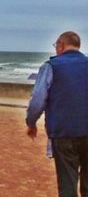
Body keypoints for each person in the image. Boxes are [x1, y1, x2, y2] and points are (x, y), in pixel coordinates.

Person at [26, 31, 88, 197]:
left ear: (61, 45)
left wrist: (31, 123)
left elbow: (37, 101)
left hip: (63, 132)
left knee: (67, 182)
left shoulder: (50, 66)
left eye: (56, 46)